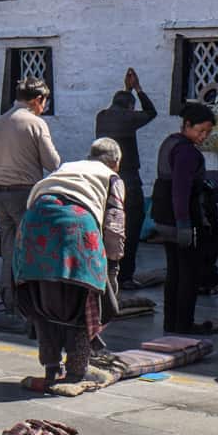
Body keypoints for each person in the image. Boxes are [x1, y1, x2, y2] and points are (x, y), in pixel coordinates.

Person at [14, 138, 126, 386]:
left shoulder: (68, 167)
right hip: (76, 226)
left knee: (44, 299)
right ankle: (77, 370)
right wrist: (113, 266)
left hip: (34, 223)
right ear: (115, 162)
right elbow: (115, 223)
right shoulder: (111, 177)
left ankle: (51, 367)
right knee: (82, 299)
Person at [0, 77, 61, 331]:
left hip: (0, 191)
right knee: (29, 249)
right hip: (25, 192)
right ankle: (29, 306)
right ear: (37, 99)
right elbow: (53, 162)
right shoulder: (35, 122)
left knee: (8, 248)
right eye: (45, 102)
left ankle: (9, 303)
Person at [150, 102, 216, 334]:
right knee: (188, 273)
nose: (203, 136)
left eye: (207, 132)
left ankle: (172, 323)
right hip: (181, 219)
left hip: (165, 218)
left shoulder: (170, 143)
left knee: (175, 271)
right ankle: (184, 324)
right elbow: (180, 189)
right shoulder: (186, 152)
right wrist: (184, 224)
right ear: (187, 125)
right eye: (200, 130)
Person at [94, 68, 158, 288]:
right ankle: (126, 275)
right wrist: (138, 89)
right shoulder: (129, 117)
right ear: (131, 107)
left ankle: (106, 270)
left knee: (107, 225)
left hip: (103, 180)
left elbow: (121, 108)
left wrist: (126, 90)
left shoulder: (102, 116)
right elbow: (151, 112)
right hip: (128, 179)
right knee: (131, 226)